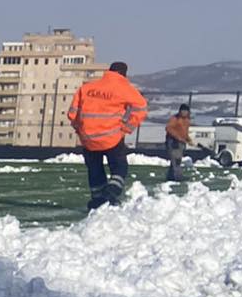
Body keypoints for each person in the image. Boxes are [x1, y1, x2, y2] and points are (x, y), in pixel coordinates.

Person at [66, 61, 148, 210]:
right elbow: (141, 107)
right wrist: (127, 128)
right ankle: (112, 191)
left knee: (94, 168)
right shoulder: (124, 88)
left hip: (88, 138)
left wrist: (80, 129)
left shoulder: (87, 88)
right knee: (119, 167)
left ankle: (97, 200)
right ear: (124, 74)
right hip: (111, 137)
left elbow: (72, 113)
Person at [165, 103, 192, 183]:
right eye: (182, 110)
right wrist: (178, 138)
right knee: (176, 160)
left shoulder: (187, 120)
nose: (184, 112)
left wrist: (188, 139)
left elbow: (184, 132)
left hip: (181, 143)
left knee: (176, 160)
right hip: (173, 142)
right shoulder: (175, 119)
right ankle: (178, 177)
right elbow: (168, 128)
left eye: (186, 111)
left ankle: (170, 177)